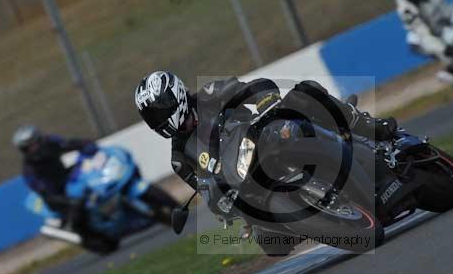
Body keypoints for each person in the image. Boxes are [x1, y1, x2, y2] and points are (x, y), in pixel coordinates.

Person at [134, 71, 398, 195]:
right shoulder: (179, 158)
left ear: (175, 96)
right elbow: (205, 191)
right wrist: (224, 205)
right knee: (271, 243)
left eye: (159, 110)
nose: (158, 119)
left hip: (270, 133)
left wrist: (262, 102)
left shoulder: (209, 94)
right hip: (248, 176)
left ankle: (368, 126)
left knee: (306, 92)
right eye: (151, 116)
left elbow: (254, 88)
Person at [13, 126, 97, 227]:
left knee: (88, 171)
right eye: (29, 148)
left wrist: (87, 144)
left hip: (65, 177)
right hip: (55, 195)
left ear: (40, 139)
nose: (34, 148)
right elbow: (46, 195)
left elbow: (69, 143)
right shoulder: (29, 171)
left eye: (35, 143)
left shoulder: (51, 142)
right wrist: (69, 202)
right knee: (78, 211)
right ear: (24, 151)